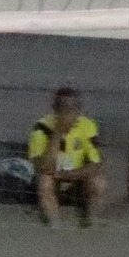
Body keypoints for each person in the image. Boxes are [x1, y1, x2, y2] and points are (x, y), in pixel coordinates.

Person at [29, 87, 104, 227]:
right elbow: (42, 166)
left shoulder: (88, 126)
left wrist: (68, 174)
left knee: (99, 182)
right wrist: (58, 132)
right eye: (63, 109)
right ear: (55, 110)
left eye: (72, 109)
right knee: (45, 182)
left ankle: (90, 221)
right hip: (54, 180)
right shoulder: (41, 127)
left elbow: (96, 164)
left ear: (79, 110)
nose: (68, 114)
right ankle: (55, 223)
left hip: (77, 179)